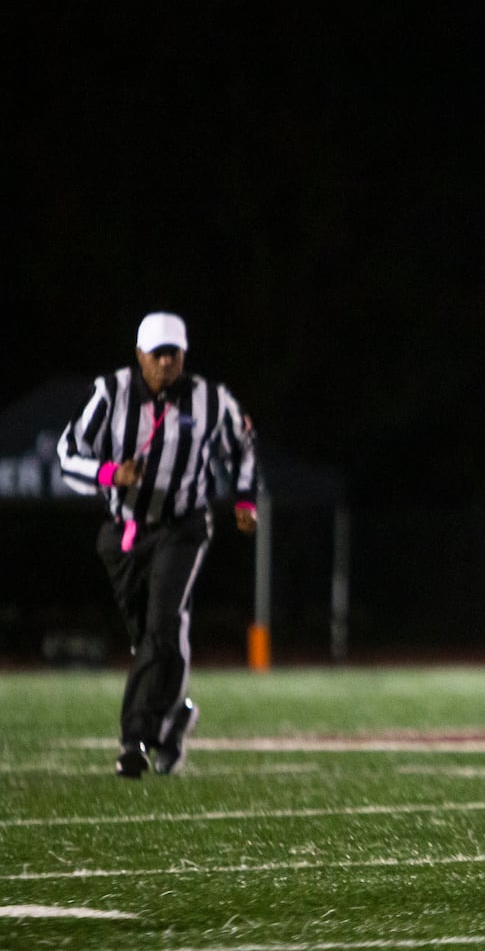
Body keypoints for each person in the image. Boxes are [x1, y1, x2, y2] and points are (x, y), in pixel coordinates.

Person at [58, 312, 259, 778]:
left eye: (174, 353)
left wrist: (244, 499)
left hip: (182, 527)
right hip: (124, 531)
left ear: (184, 355)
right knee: (147, 639)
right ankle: (175, 717)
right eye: (157, 354)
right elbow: (69, 453)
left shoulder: (210, 399)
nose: (166, 362)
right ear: (139, 355)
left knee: (161, 626)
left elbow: (242, 445)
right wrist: (110, 474)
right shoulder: (111, 393)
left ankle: (135, 739)